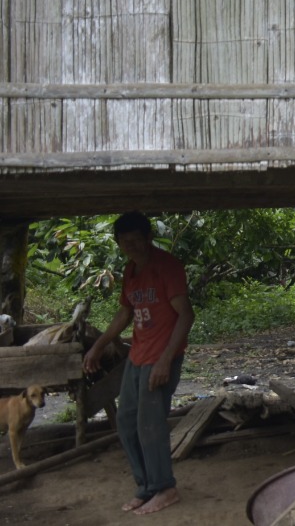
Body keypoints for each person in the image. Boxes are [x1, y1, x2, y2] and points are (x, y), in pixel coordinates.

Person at [83, 211, 194, 515]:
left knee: (150, 424)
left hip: (161, 358)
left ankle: (165, 488)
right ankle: (146, 487)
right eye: (124, 241)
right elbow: (125, 313)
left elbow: (186, 314)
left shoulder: (166, 267)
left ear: (148, 238)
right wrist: (98, 346)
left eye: (135, 239)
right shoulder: (131, 270)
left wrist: (165, 361)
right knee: (127, 422)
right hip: (137, 357)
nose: (130, 246)